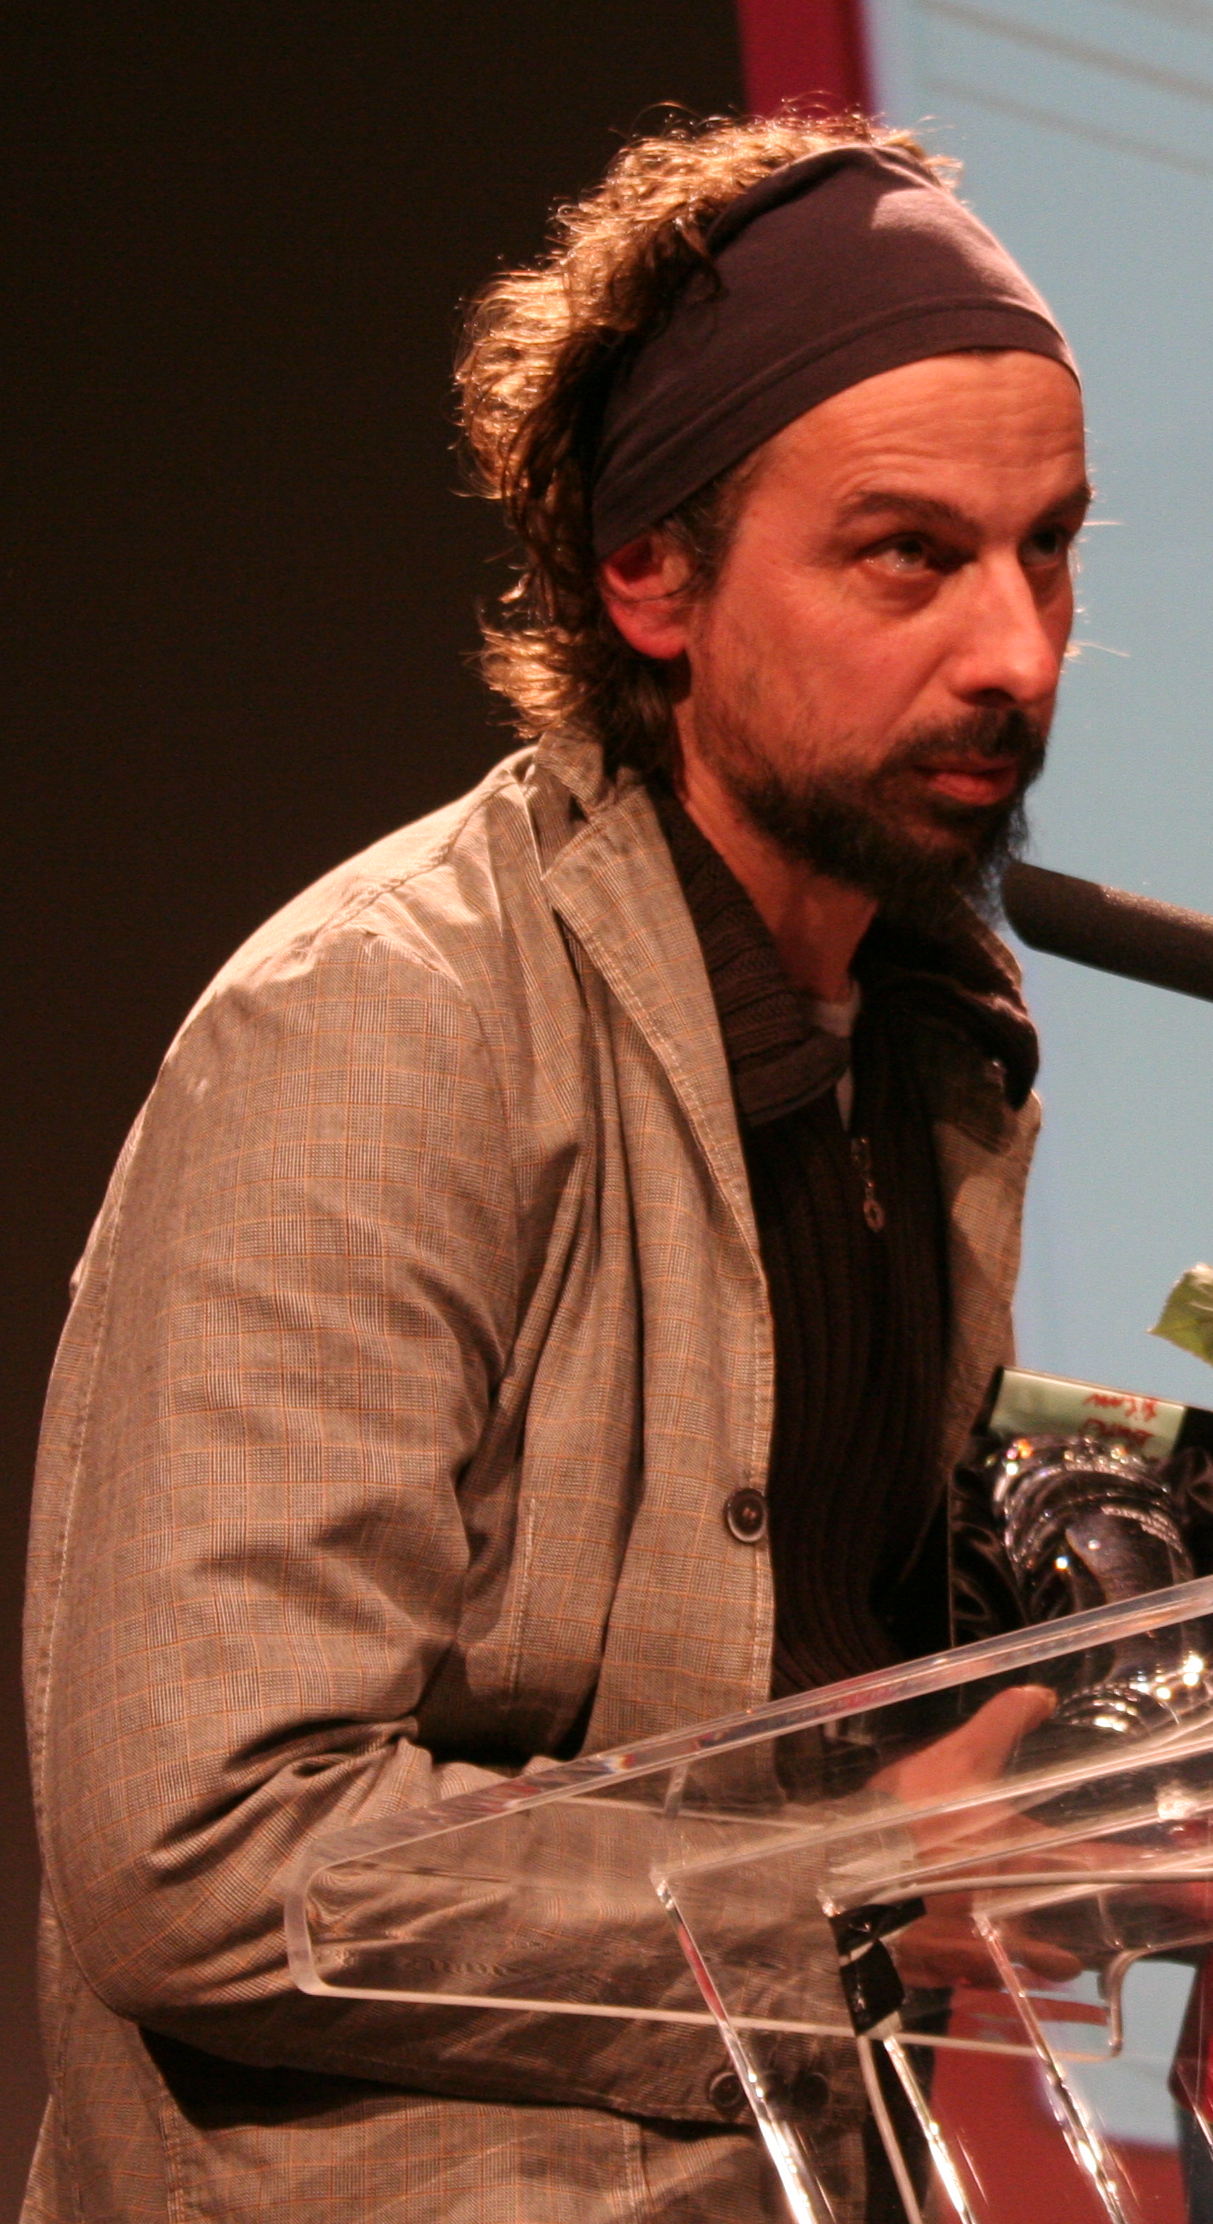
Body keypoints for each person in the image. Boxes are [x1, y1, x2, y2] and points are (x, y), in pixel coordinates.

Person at [24, 113, 1089, 2218]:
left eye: (1046, 548)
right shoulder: (383, 1022)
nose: (1018, 653)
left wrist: (1184, 1788)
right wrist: (863, 1882)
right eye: (908, 555)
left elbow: (814, 1707)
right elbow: (203, 1857)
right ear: (648, 577)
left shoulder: (930, 1041)